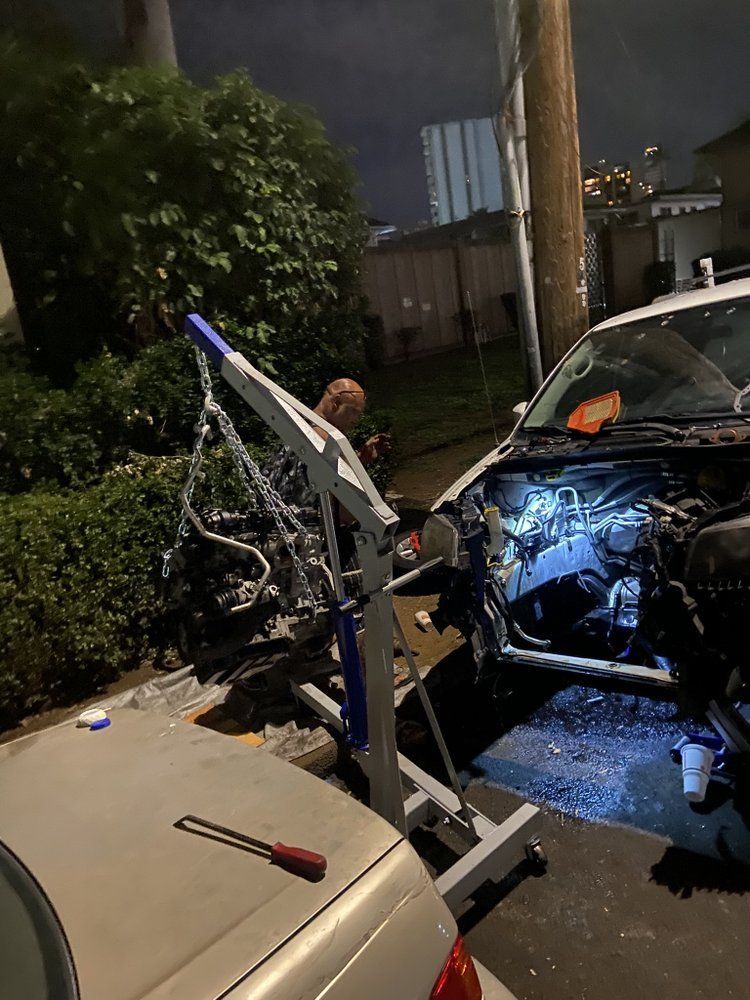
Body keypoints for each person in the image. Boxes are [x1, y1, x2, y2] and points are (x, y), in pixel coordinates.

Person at [264, 377, 392, 512]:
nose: (356, 420)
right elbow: (339, 483)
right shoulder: (319, 434)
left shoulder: (304, 425)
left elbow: (333, 472)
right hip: (304, 522)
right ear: (336, 402)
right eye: (353, 412)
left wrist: (360, 457)